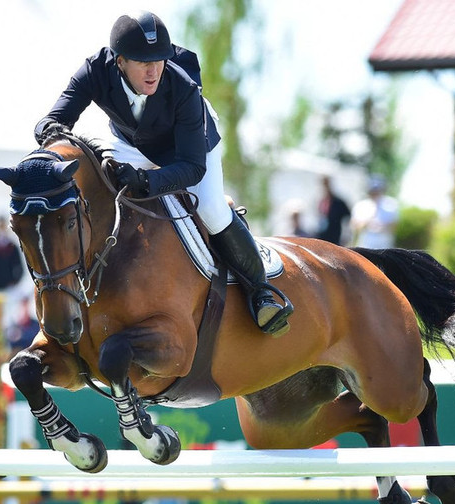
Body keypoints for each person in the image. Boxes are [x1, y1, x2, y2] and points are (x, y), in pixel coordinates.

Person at [33, 11, 292, 336]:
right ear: (120, 61)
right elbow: (53, 119)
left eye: (159, 60)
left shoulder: (182, 88)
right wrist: (51, 131)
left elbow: (192, 166)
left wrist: (147, 181)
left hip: (191, 145)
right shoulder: (95, 70)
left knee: (211, 208)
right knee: (103, 189)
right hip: (132, 142)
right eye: (143, 62)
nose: (154, 70)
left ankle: (261, 292)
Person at [350, 174, 399, 249]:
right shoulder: (361, 205)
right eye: (373, 191)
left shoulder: (391, 204)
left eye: (377, 191)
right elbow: (354, 225)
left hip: (384, 246)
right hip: (365, 245)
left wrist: (382, 227)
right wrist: (366, 223)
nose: (375, 194)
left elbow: (394, 226)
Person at [316, 176, 351, 245]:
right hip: (322, 237)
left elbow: (347, 217)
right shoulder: (321, 201)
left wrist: (346, 235)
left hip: (335, 238)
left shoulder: (338, 202)